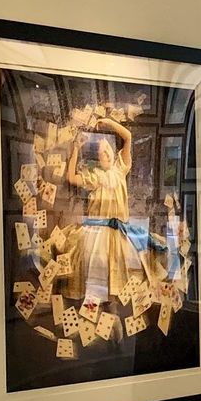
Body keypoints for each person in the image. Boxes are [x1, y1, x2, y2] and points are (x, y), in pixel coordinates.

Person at [66, 116, 141, 306]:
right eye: (102, 154)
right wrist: (76, 149)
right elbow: (71, 178)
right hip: (98, 233)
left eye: (108, 151)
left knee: (118, 275)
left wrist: (108, 122)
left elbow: (128, 136)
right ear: (98, 159)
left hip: (118, 232)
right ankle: (95, 309)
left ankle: (114, 311)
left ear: (114, 153)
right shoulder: (95, 177)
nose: (106, 155)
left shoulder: (121, 169)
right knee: (96, 274)